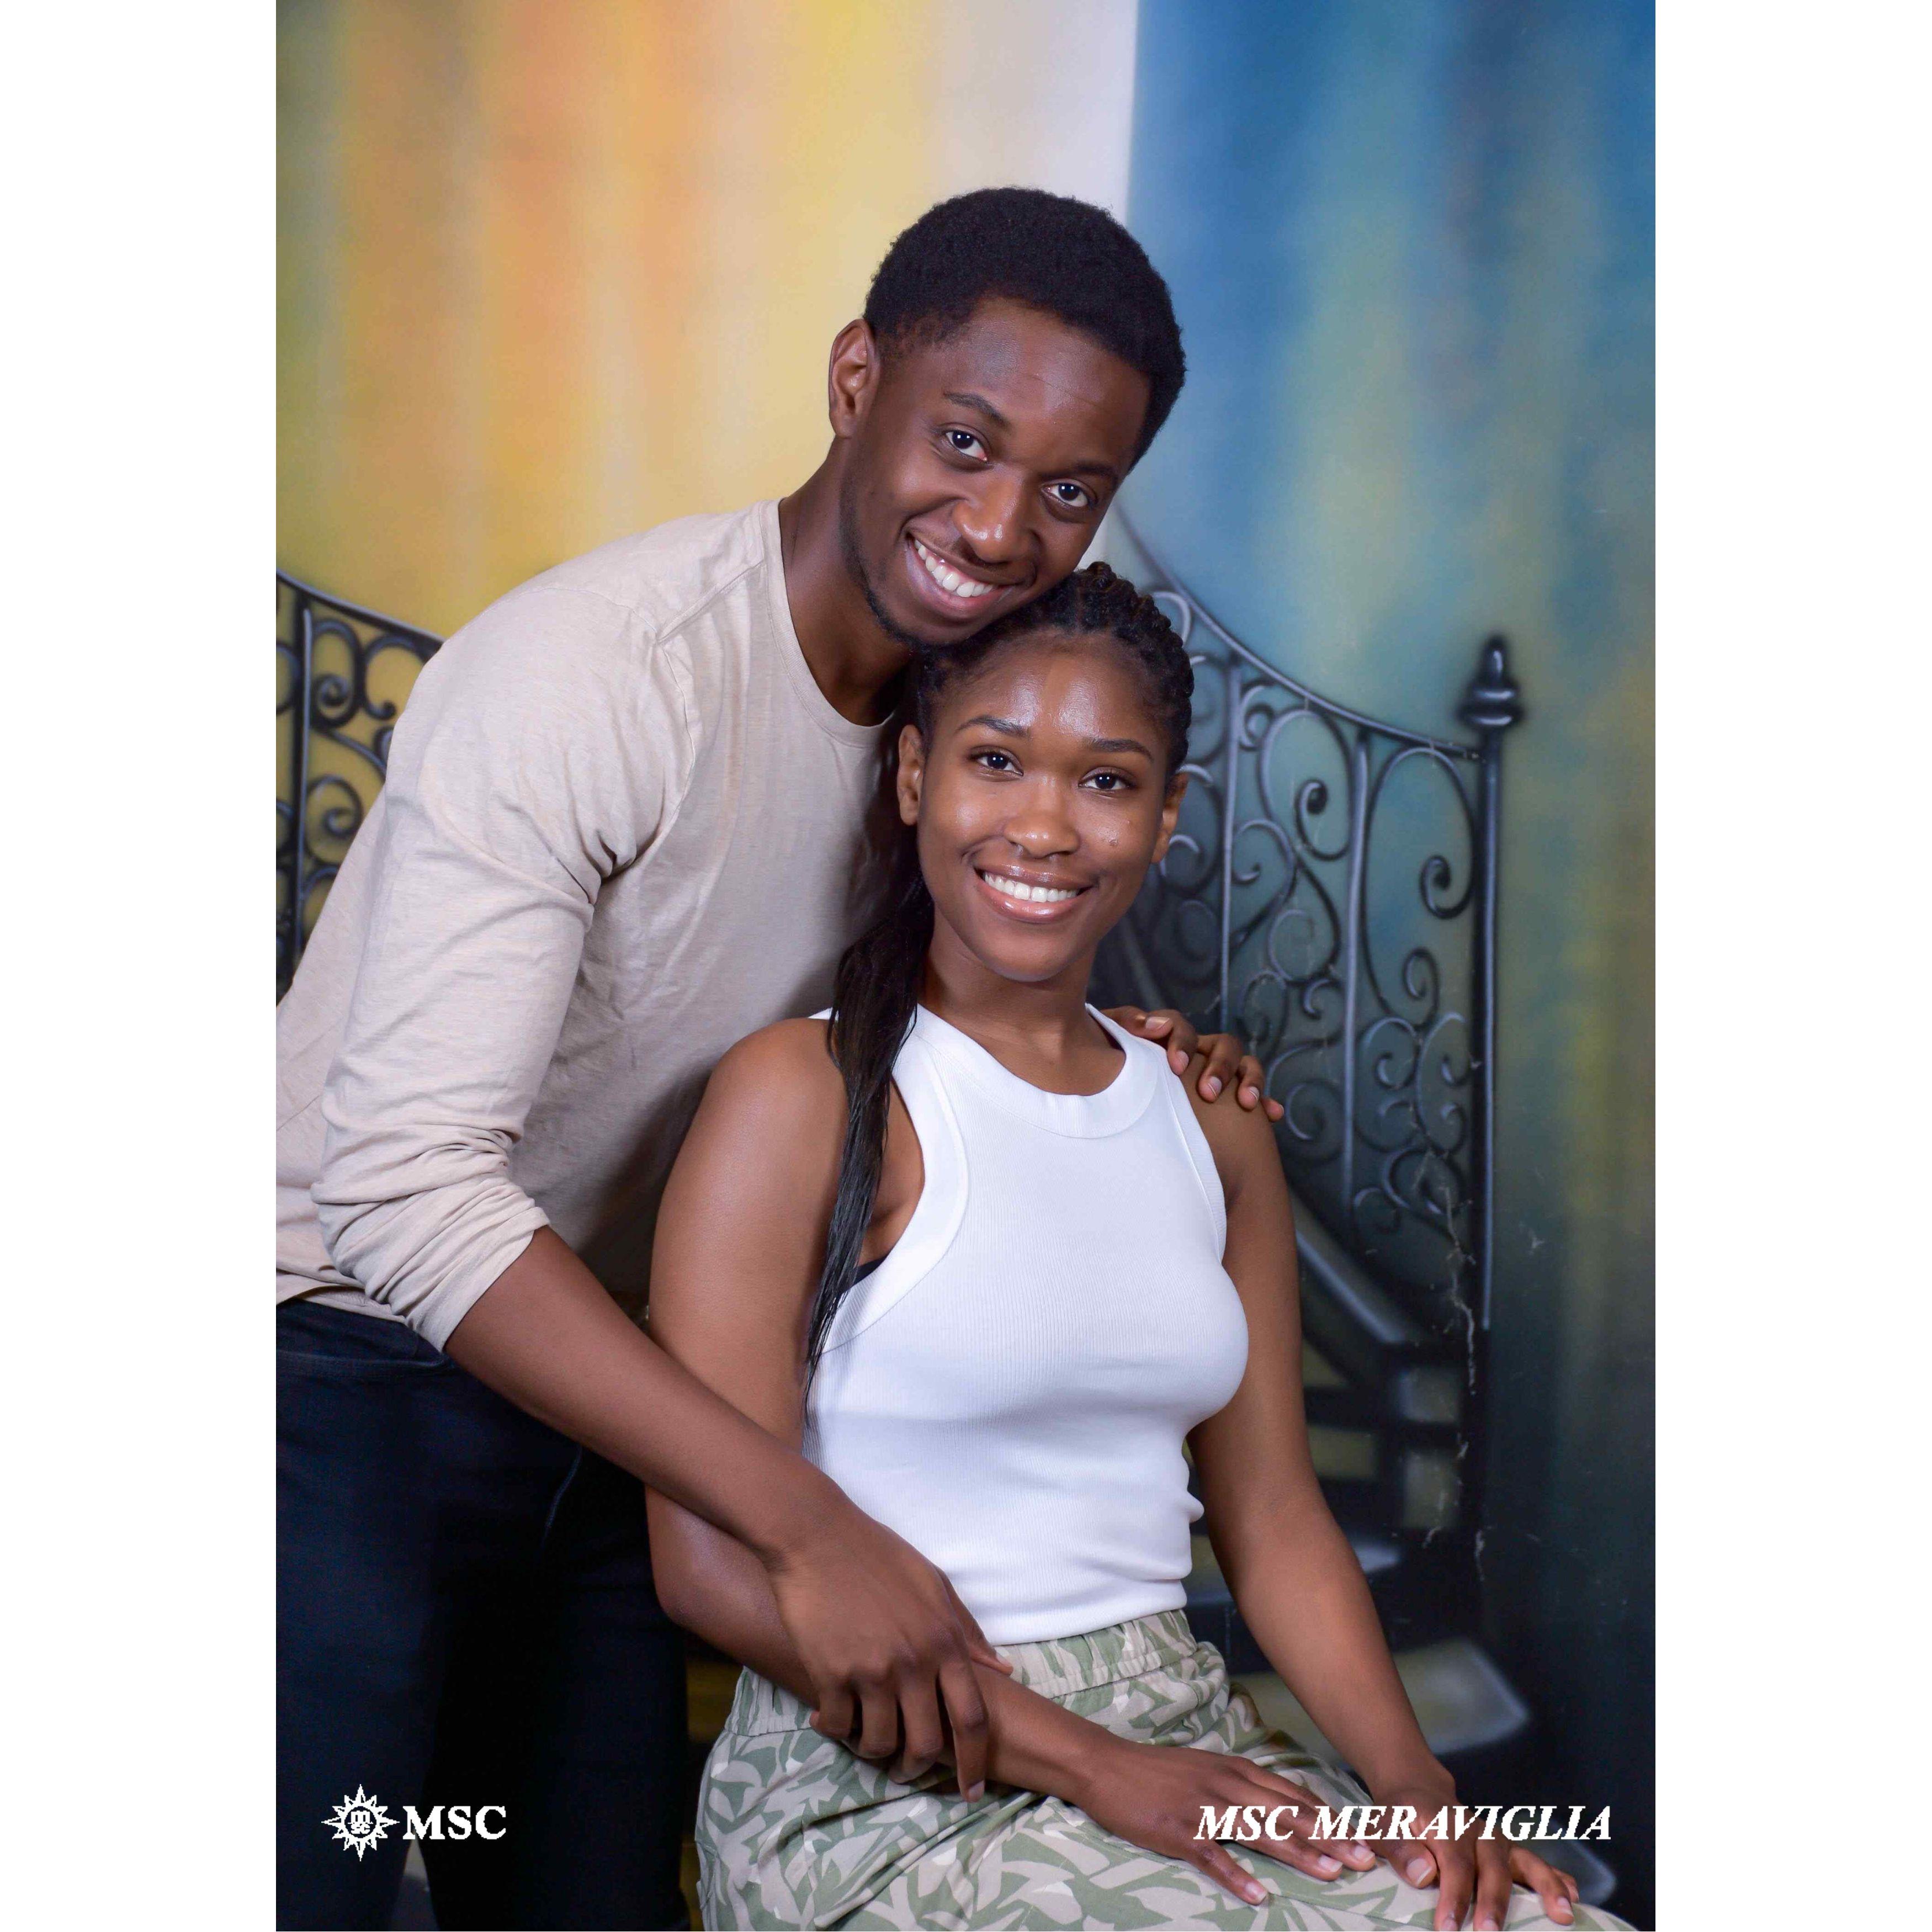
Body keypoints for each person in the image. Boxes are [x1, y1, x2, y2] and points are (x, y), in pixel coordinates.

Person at [277, 188, 1278, 1930]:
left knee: (586, 1897)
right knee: (327, 1870)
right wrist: (810, 1526)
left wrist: (1107, 1050)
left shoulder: (954, 734)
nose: (1000, 524)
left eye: (1068, 491)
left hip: (613, 1398)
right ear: (853, 380)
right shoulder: (599, 673)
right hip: (335, 1365)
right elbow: (402, 1186)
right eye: (962, 441)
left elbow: (940, 1004)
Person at [646, 565, 1631, 1932]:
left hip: (1180, 1728)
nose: (1044, 824)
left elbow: (1274, 1518)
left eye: (1105, 781)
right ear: (915, 777)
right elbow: (706, 1567)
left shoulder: (1208, 1119)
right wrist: (1094, 1766)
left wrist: (1416, 1791)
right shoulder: (801, 1094)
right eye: (996, 761)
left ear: (1166, 817)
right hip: (883, 1777)